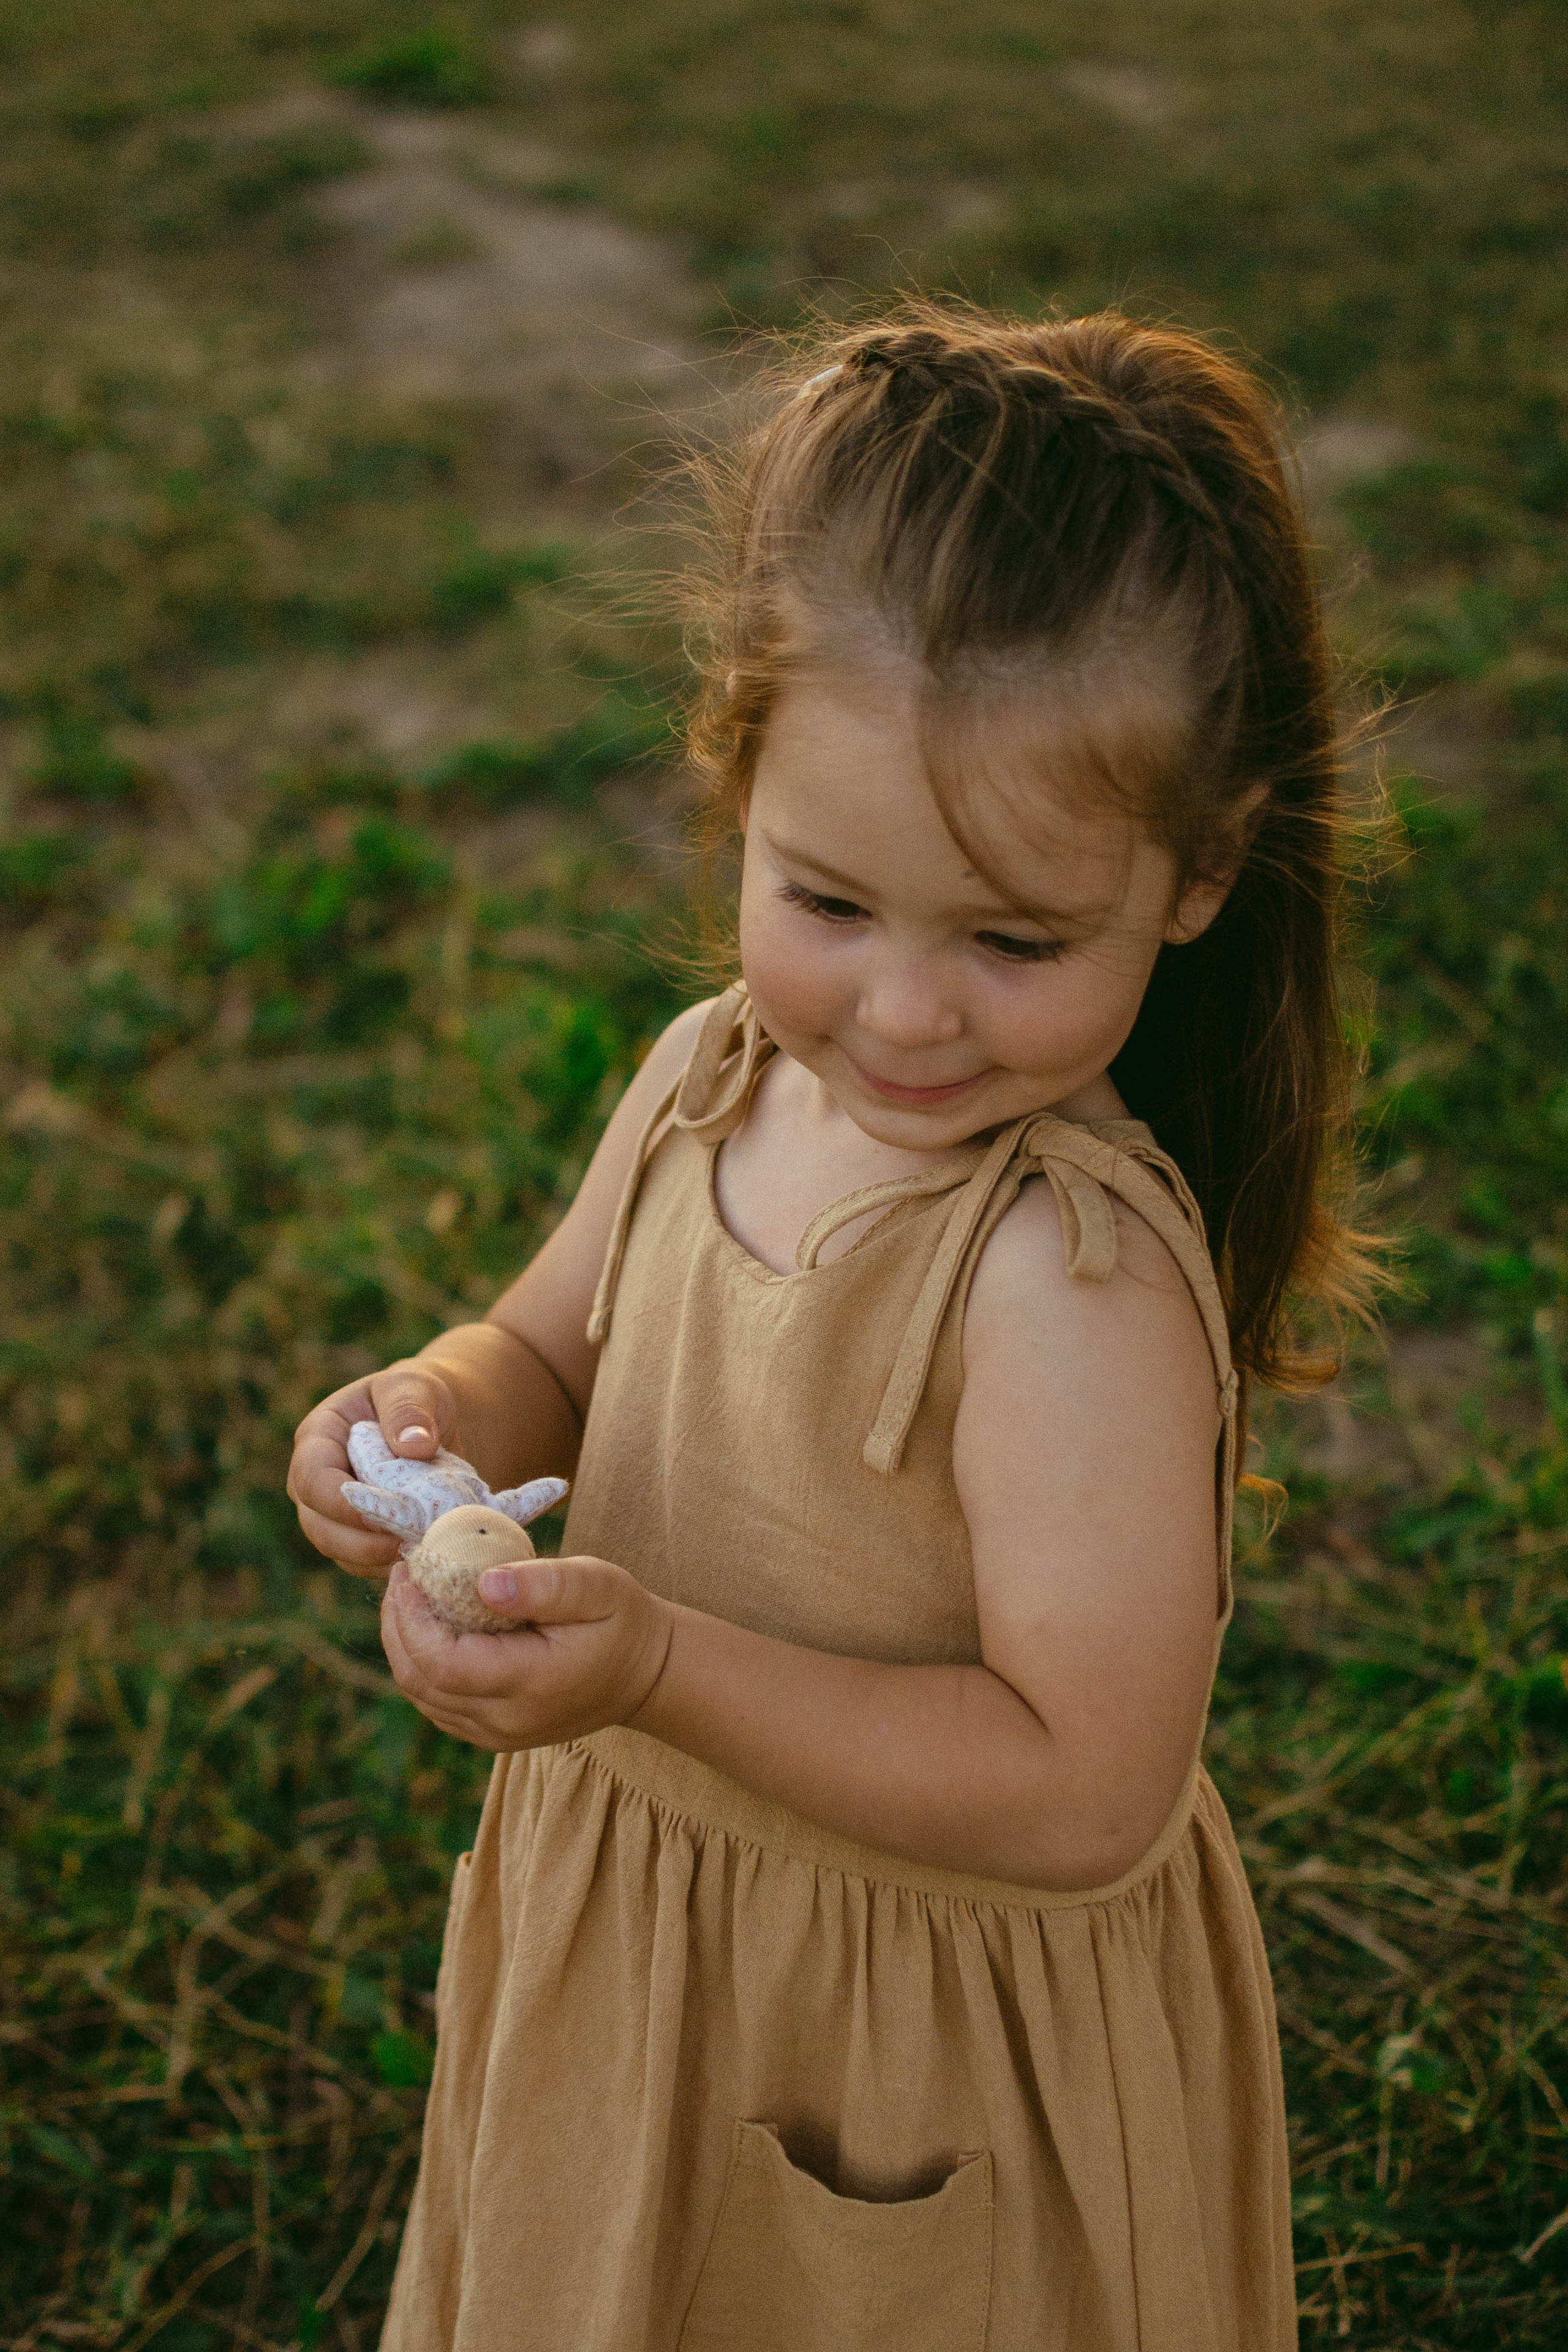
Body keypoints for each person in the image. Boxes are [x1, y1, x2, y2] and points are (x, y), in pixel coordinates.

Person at [288, 301, 1379, 2352]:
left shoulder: (1070, 1284)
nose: (903, 1012)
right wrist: (421, 1413)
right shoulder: (711, 1075)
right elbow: (549, 1347)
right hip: (651, 1956)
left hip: (919, 2045)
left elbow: (1083, 1788)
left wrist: (663, 1664)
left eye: (1015, 939)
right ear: (736, 771)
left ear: (1205, 870)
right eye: (831, 901)